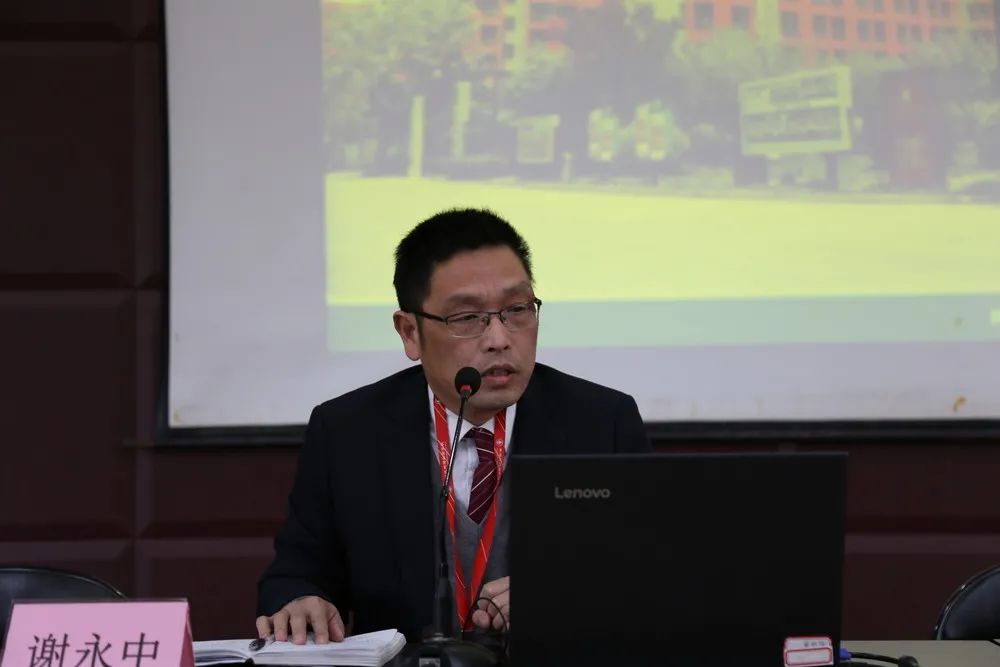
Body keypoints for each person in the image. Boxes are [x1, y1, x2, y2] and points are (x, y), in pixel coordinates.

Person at [255, 208, 650, 644]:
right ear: (410, 332)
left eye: (518, 309)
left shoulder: (601, 423)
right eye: (467, 318)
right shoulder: (348, 432)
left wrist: (563, 595)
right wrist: (300, 600)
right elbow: (296, 573)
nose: (499, 339)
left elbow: (650, 577)